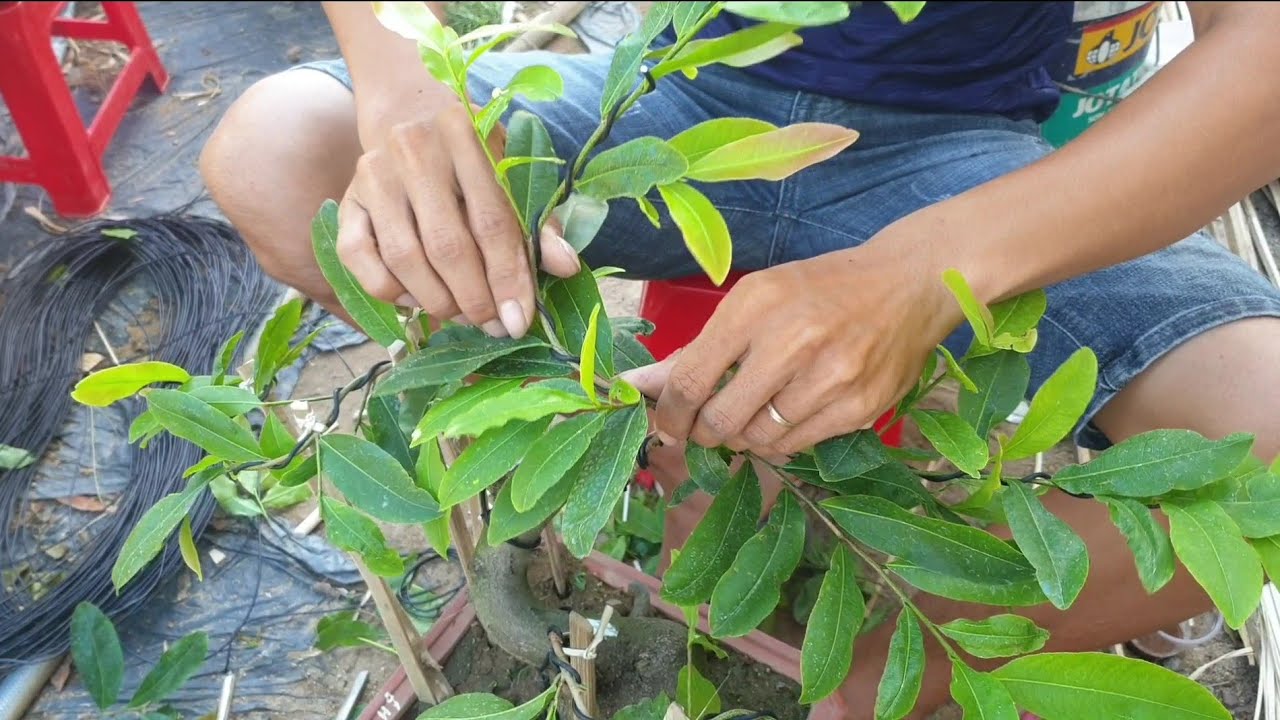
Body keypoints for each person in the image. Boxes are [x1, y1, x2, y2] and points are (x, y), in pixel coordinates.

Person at [199, 2, 1280, 716]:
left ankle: (891, 654)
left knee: (1264, 446)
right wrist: (404, 93)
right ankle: (592, 444)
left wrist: (922, 269)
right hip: (676, 99)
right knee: (277, 145)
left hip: (950, 154)